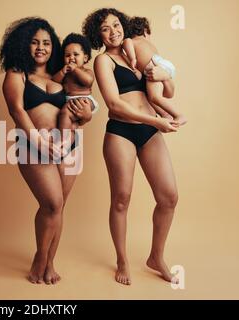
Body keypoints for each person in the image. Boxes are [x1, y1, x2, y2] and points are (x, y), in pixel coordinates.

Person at [83, 8, 180, 285]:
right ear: (97, 34)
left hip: (150, 130)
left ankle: (156, 257)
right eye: (105, 28)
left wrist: (164, 73)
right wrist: (156, 120)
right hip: (121, 132)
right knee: (122, 199)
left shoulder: (136, 52)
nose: (113, 31)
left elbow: (168, 91)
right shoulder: (103, 61)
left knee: (168, 197)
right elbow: (114, 104)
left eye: (116, 25)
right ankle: (122, 259)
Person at [1, 17, 92, 285]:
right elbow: (16, 110)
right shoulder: (17, 73)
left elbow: (80, 105)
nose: (41, 47)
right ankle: (40, 258)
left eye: (46, 43)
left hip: (69, 144)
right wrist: (39, 141)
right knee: (51, 203)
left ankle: (50, 262)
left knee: (59, 207)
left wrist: (86, 116)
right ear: (23, 44)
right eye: (34, 42)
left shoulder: (60, 74)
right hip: (33, 145)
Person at [122, 16, 187, 125]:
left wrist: (132, 58)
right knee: (152, 97)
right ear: (145, 31)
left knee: (154, 97)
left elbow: (127, 41)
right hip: (162, 65)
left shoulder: (132, 41)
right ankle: (166, 115)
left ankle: (179, 115)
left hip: (152, 66)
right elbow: (169, 94)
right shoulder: (148, 44)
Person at [52, 33, 99, 144]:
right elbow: (54, 82)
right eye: (67, 55)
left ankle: (62, 141)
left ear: (85, 58)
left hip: (85, 99)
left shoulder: (86, 71)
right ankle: (70, 131)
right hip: (70, 100)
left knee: (64, 113)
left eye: (76, 55)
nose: (71, 58)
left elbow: (88, 81)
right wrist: (62, 72)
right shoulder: (65, 73)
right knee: (67, 118)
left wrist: (75, 70)